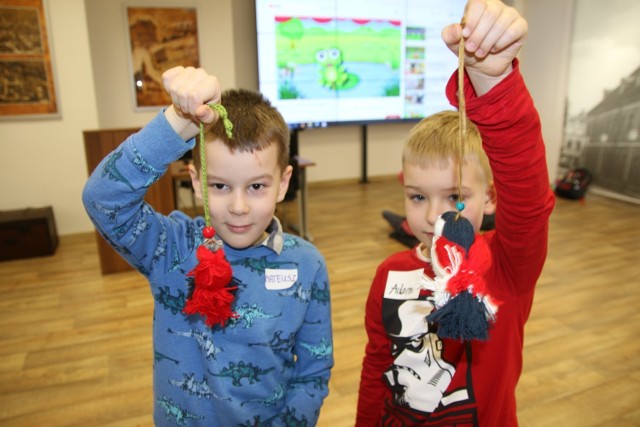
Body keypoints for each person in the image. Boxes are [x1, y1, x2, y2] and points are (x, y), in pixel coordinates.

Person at [83, 68, 333, 426]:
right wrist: (178, 122)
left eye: (257, 187)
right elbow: (103, 199)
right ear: (197, 182)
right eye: (220, 186)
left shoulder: (308, 265)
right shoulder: (171, 249)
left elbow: (313, 371)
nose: (239, 207)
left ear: (283, 183)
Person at [356, 0, 555, 425]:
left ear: (493, 198)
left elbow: (531, 198)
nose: (433, 218)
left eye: (455, 198)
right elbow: (376, 368)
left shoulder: (508, 269)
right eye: (417, 197)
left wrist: (492, 80)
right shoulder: (389, 273)